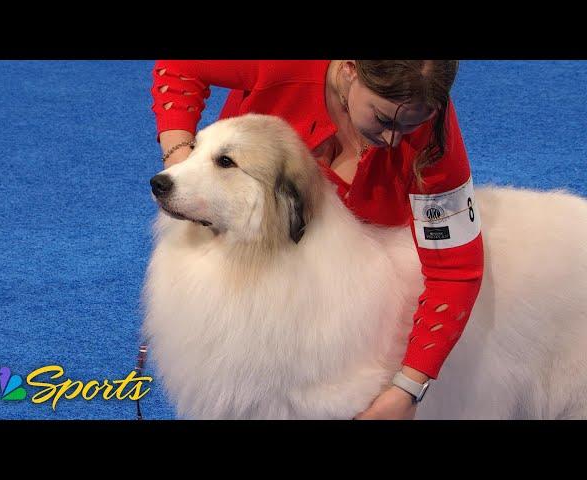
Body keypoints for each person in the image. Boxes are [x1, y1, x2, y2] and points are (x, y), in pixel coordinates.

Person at [149, 60, 484, 420]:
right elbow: (177, 68)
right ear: (350, 70)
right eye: (384, 119)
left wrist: (408, 388)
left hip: (350, 283)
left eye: (411, 125)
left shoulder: (435, 138)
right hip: (243, 249)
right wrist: (185, 167)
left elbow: (455, 269)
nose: (393, 140)